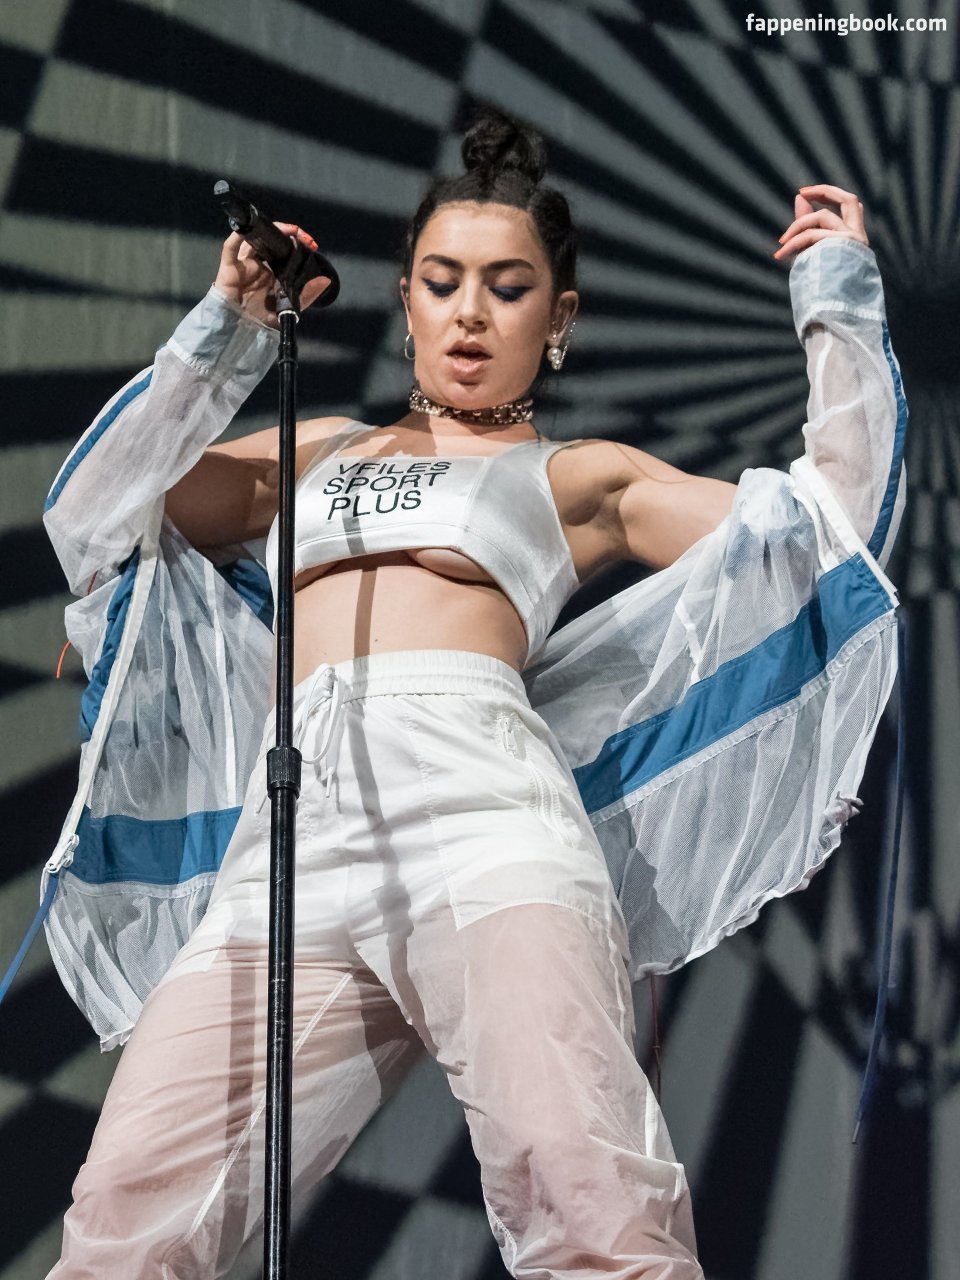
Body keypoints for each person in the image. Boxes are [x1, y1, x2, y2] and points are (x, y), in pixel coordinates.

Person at [38, 106, 906, 1278]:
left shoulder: (577, 476)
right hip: (293, 835)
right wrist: (229, 326)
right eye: (443, 282)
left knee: (588, 1198)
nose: (470, 312)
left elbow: (828, 533)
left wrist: (838, 297)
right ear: (406, 299)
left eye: (508, 287)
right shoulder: (315, 450)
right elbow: (94, 511)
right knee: (124, 1214)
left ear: (560, 319)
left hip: (486, 817)